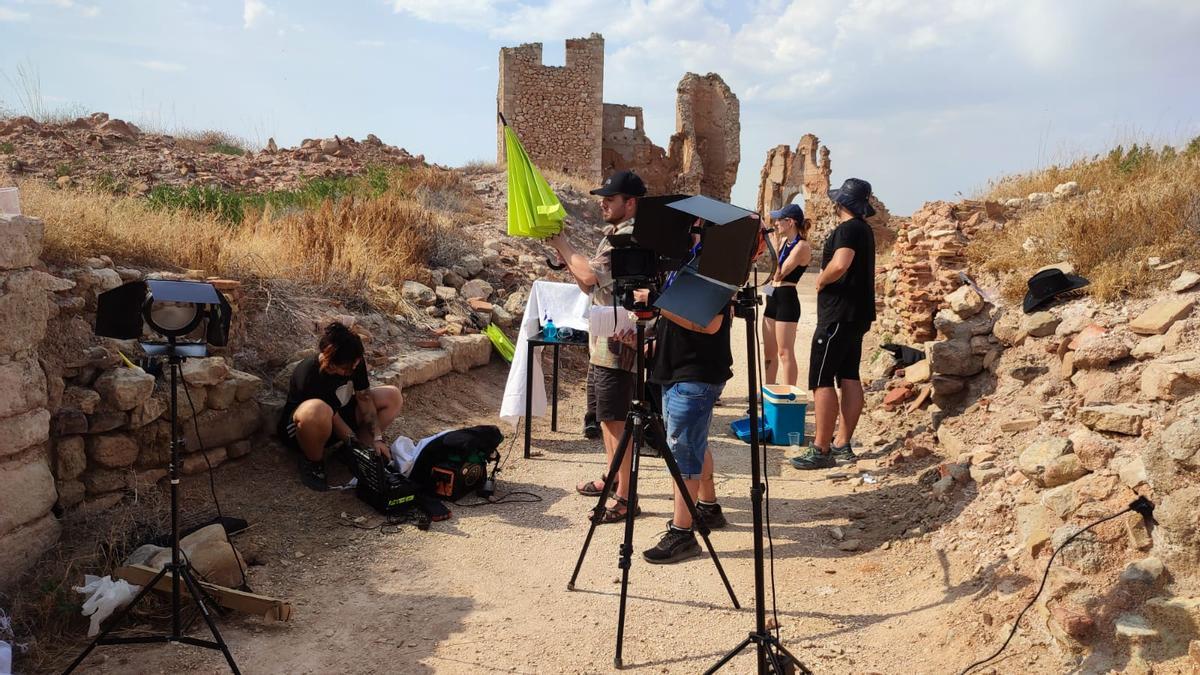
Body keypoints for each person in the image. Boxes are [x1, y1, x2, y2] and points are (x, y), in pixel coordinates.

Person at [634, 220, 737, 564]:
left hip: (695, 373)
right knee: (694, 441)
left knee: (683, 452)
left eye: (692, 227)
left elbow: (709, 324)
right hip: (678, 368)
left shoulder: (716, 268)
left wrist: (658, 303)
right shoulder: (689, 263)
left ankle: (682, 533)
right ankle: (708, 508)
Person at [546, 170, 644, 524]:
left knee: (615, 421)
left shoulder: (628, 237)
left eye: (610, 198)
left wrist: (562, 243)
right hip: (607, 340)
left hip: (616, 344)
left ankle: (624, 497)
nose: (603, 203)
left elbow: (589, 278)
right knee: (606, 418)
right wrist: (569, 257)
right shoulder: (617, 234)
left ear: (629, 203)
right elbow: (591, 285)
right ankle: (613, 478)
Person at [791, 178, 877, 470]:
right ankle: (842, 443)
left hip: (837, 315)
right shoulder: (864, 229)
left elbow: (841, 263)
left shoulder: (848, 229)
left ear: (840, 203)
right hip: (856, 315)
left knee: (821, 379)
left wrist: (821, 279)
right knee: (849, 375)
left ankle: (821, 447)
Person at [278, 322, 404, 490]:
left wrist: (377, 438)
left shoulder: (353, 362)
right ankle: (313, 461)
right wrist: (355, 443)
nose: (352, 370)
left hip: (335, 416)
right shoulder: (310, 372)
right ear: (330, 362)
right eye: (346, 369)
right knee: (318, 410)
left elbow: (364, 399)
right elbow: (333, 417)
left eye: (355, 365)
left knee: (392, 396)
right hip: (307, 428)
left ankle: (351, 454)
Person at [761, 203, 813, 386]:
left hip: (786, 299)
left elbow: (779, 273)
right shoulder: (784, 242)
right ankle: (768, 389)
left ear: (789, 222)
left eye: (778, 220)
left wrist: (774, 248)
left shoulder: (801, 247)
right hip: (772, 297)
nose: (775, 224)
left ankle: (789, 393)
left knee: (785, 351)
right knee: (769, 351)